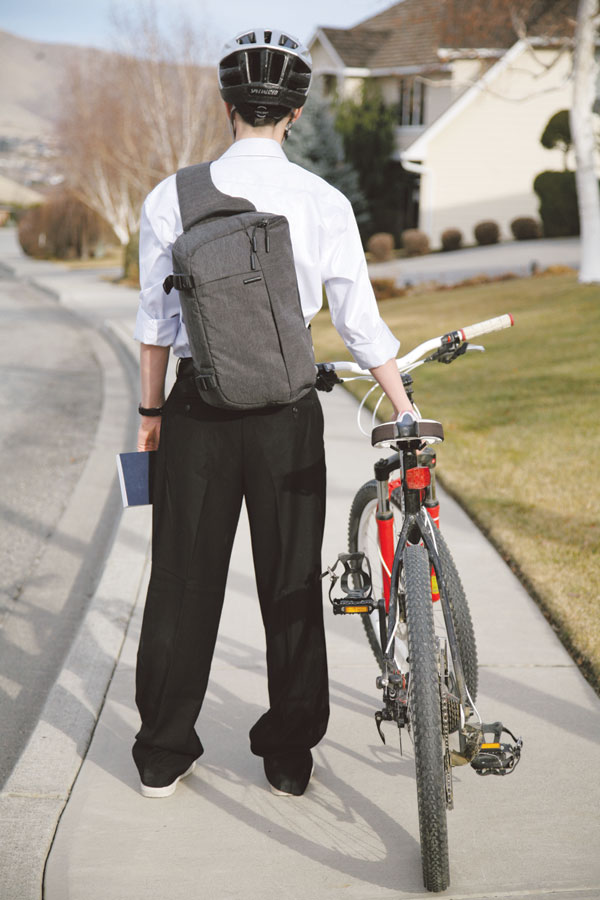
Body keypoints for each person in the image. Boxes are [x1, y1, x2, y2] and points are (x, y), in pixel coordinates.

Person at [132, 27, 415, 799]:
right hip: (289, 415)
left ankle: (162, 753)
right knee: (288, 582)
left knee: (184, 579)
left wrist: (149, 413)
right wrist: (402, 405)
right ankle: (288, 756)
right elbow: (361, 326)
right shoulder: (323, 201)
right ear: (293, 112)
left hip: (197, 410)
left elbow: (155, 326)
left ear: (228, 107)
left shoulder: (172, 196)